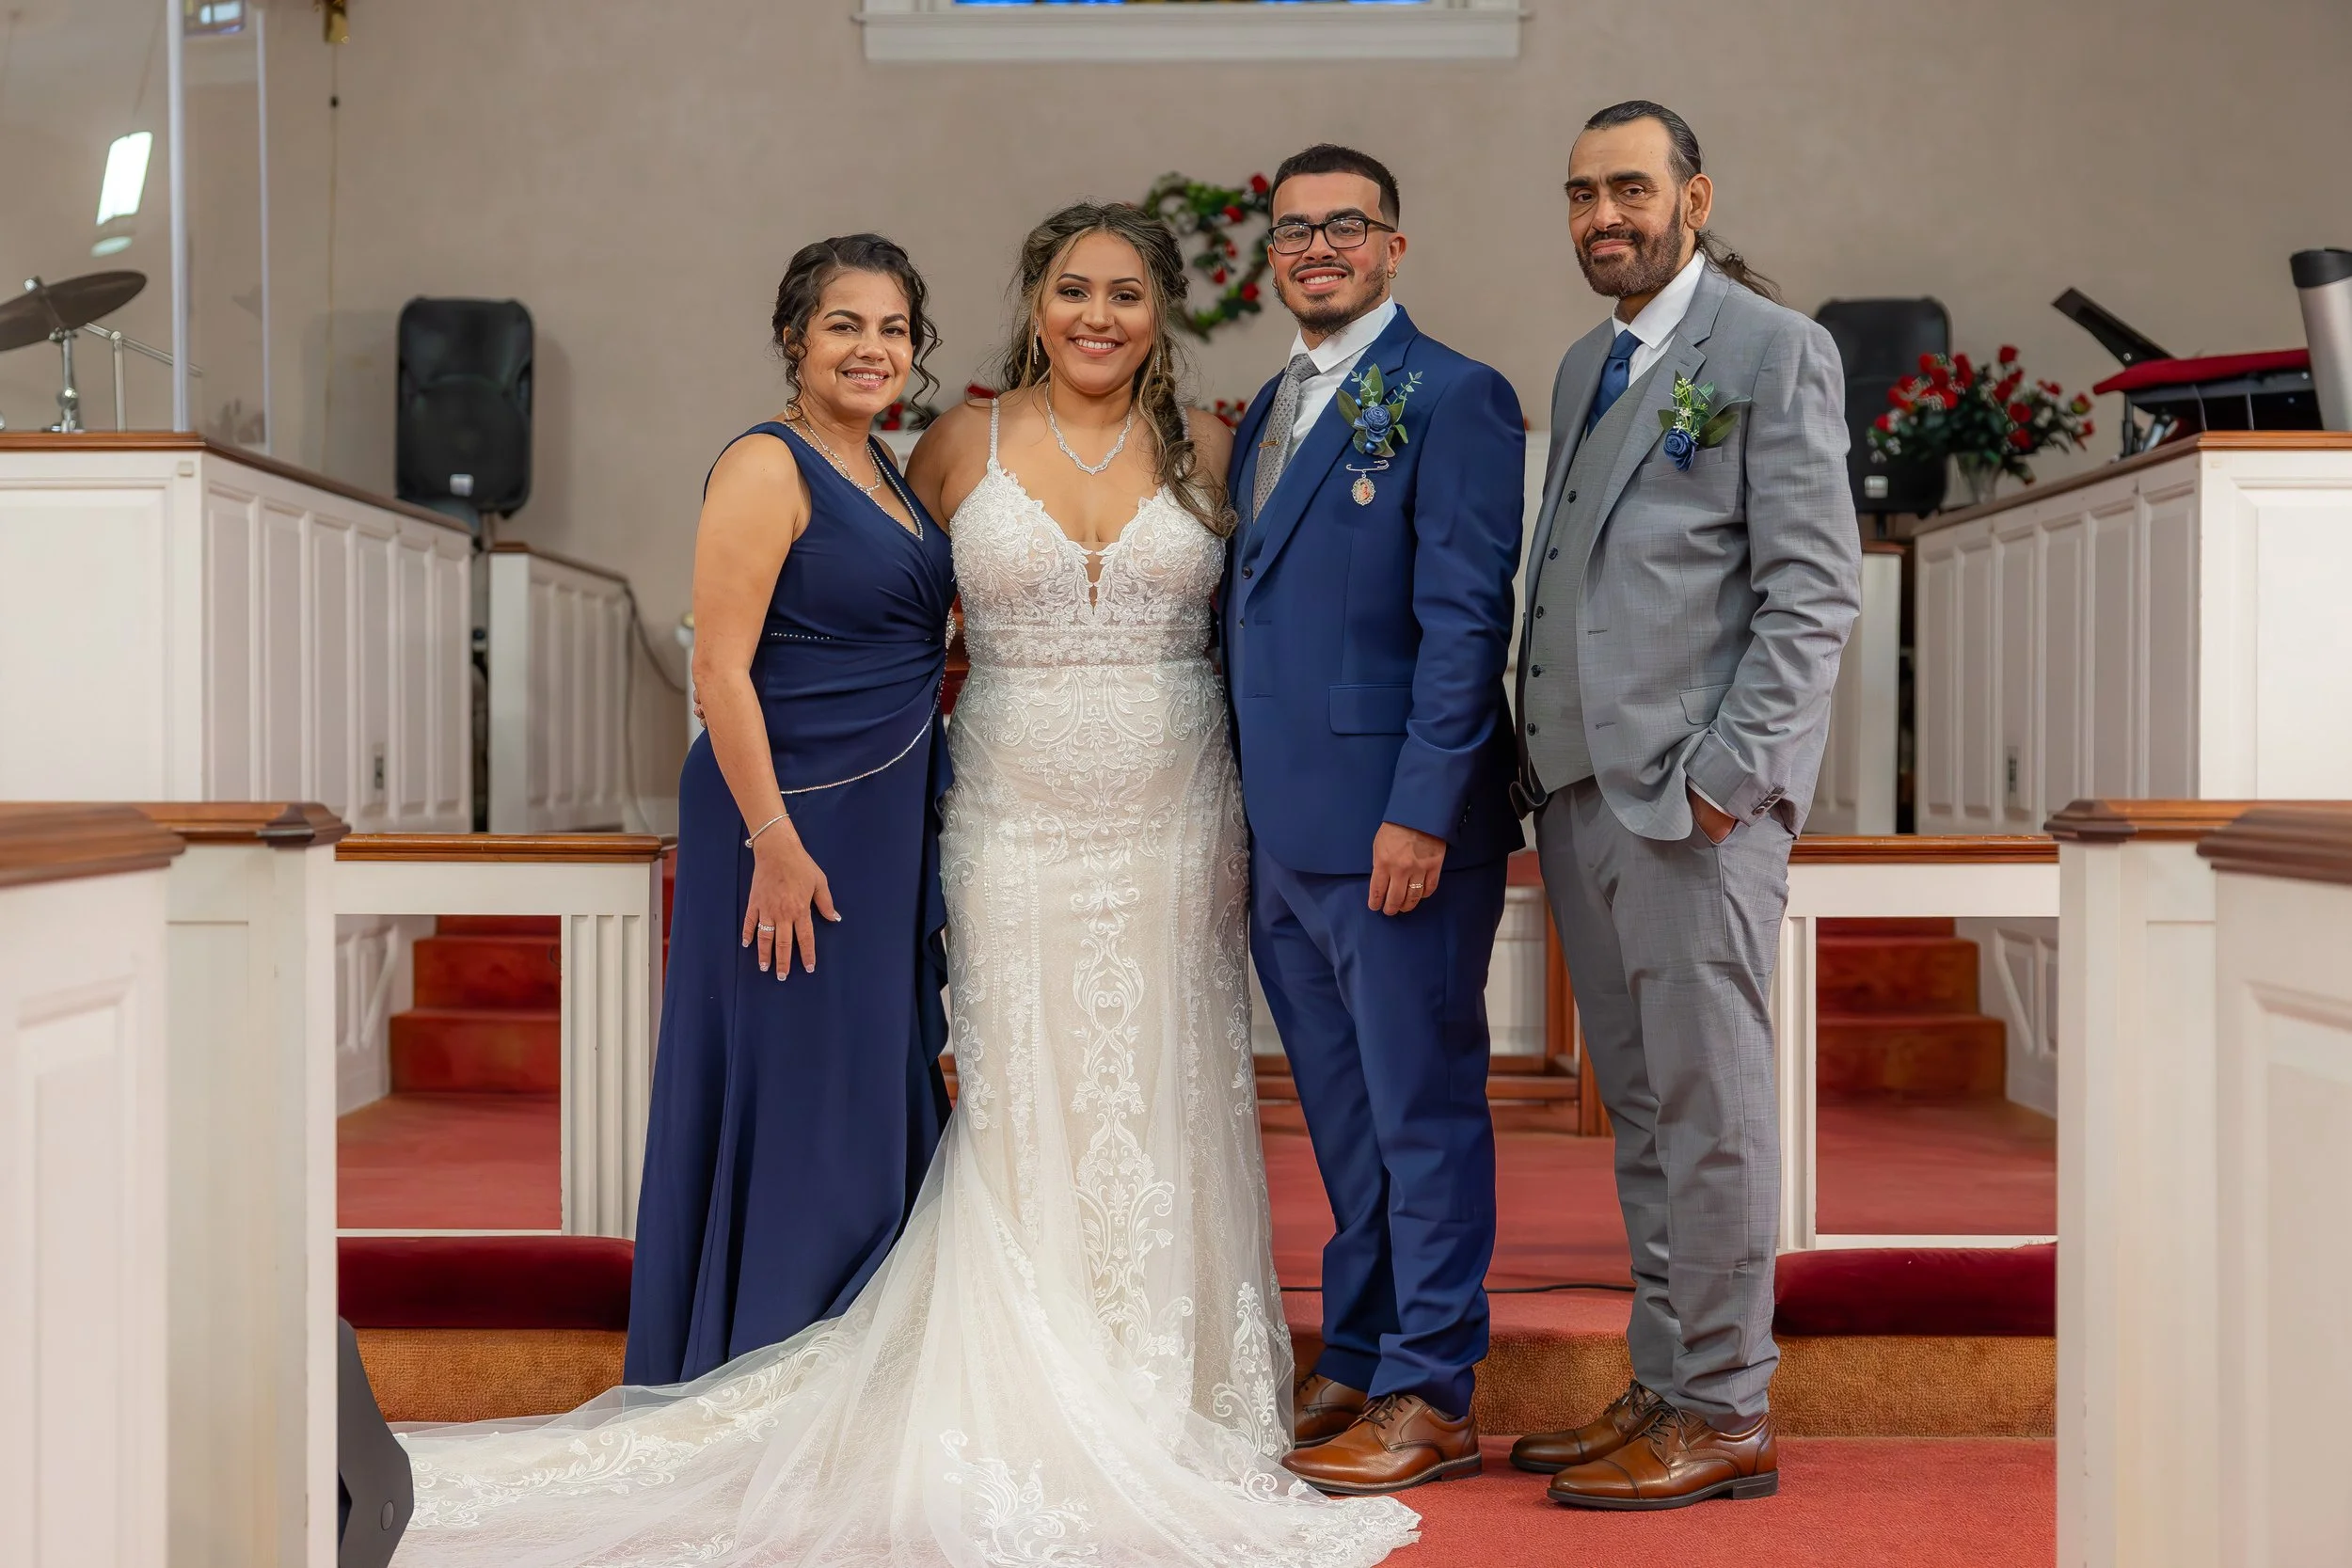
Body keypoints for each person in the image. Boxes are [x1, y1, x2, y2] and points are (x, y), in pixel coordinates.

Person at [386, 206, 1417, 1568]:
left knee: (1166, 1080)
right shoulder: (943, 448)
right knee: (1020, 1090)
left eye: (1125, 292)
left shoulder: (1211, 450)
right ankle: (997, 1369)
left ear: (1161, 311)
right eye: (1071, 288)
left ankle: (1167, 1378)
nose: (1097, 313)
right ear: (1033, 302)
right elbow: (814, 627)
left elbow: (1277, 625)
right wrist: (780, 819)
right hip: (1001, 817)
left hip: (1176, 821)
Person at [1508, 101, 1860, 1510]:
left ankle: (1725, 1406)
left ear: (1694, 199)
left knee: (1712, 1111)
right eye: (1581, 192)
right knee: (1648, 1112)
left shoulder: (1773, 349)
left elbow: (1812, 589)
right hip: (1582, 795)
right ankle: (1668, 1377)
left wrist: (1730, 780)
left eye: (1631, 189)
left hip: (1692, 806)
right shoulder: (1585, 360)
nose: (1604, 215)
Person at [1223, 144, 1528, 1497]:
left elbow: (1465, 621)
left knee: (1421, 1111)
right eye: (1294, 229)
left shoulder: (1455, 395)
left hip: (1400, 832)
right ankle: (1357, 1348)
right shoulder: (1268, 408)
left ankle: (1433, 1387)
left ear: (1394, 246)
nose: (1318, 247)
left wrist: (1421, 810)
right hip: (1284, 833)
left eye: (1345, 224)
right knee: (1346, 1123)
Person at [624, 233, 958, 1388]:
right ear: (793, 337)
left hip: (879, 817)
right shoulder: (767, 464)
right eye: (844, 324)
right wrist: (772, 841)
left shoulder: (886, 470)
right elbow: (719, 669)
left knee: (861, 1079)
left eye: (893, 328)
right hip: (787, 817)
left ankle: (861, 1364)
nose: (873, 348)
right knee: (800, 1090)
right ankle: (769, 1360)